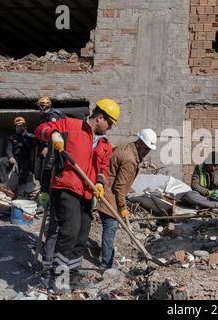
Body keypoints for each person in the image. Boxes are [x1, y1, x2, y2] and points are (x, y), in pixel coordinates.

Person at [35, 99, 119, 289]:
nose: (110, 128)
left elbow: (103, 167)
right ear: (99, 118)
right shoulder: (71, 125)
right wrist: (54, 133)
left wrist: (99, 182)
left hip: (88, 193)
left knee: (81, 236)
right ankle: (58, 280)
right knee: (69, 232)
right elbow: (40, 129)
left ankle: (71, 278)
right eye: (110, 123)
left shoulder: (105, 144)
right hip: (67, 187)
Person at [96, 129, 157, 269]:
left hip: (107, 191)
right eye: (146, 148)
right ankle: (106, 264)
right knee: (110, 226)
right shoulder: (130, 159)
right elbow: (119, 187)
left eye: (149, 149)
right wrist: (123, 207)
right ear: (140, 142)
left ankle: (106, 258)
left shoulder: (127, 148)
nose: (147, 152)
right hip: (108, 196)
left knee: (109, 227)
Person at [36, 97, 65, 208]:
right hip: (49, 146)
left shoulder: (53, 116)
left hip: (53, 147)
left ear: (42, 106)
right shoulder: (46, 117)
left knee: (48, 169)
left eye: (39, 106)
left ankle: (48, 197)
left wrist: (47, 147)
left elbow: (54, 133)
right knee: (46, 171)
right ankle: (47, 198)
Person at [0, 117, 36, 190]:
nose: (19, 128)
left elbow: (31, 146)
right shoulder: (13, 137)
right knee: (1, 161)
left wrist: (24, 136)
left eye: (21, 126)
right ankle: (3, 184)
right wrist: (11, 157)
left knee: (23, 172)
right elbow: (9, 149)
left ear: (25, 126)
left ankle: (20, 194)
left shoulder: (31, 137)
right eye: (17, 126)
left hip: (25, 160)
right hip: (15, 159)